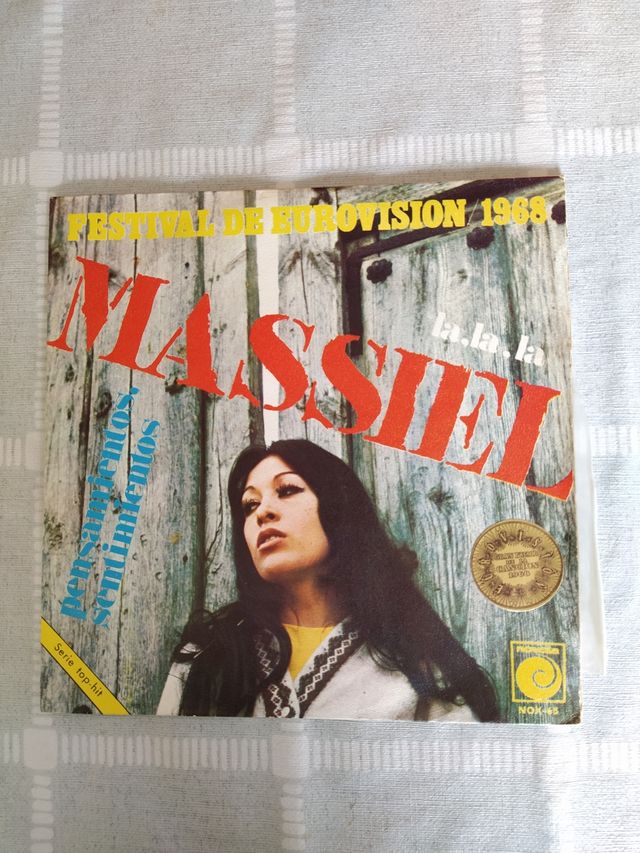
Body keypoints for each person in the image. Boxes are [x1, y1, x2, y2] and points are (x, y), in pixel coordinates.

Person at [157, 438, 499, 721]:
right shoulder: (205, 658)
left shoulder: (416, 661)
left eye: (287, 490)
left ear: (338, 507)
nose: (262, 512)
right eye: (249, 505)